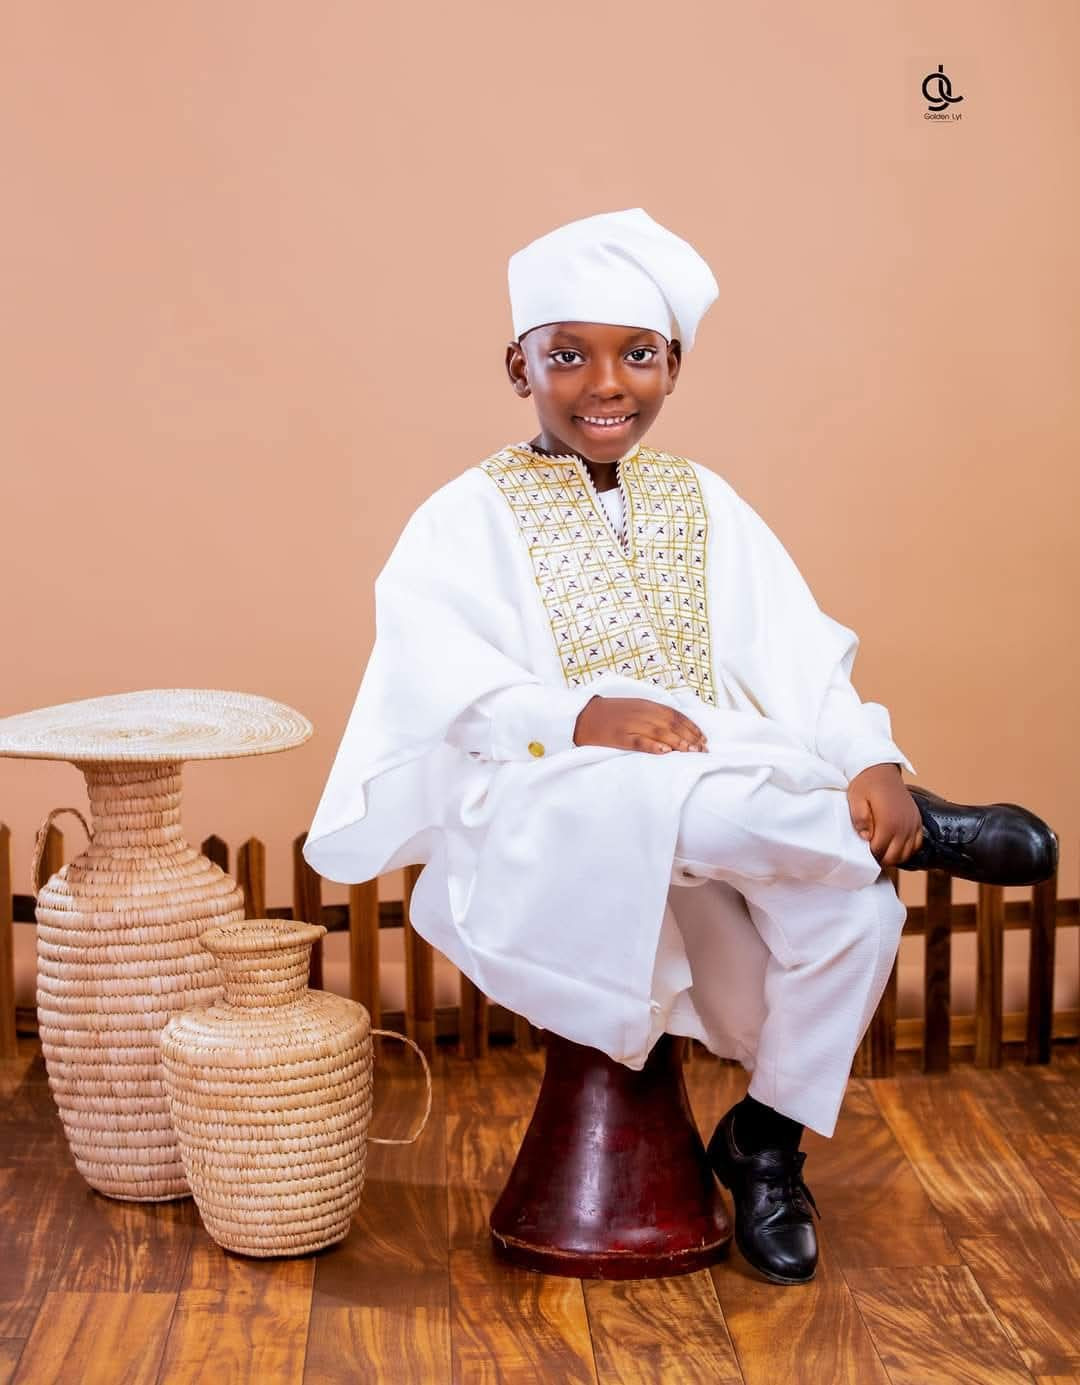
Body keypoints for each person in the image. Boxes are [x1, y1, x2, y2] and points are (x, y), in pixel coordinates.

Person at [304, 207, 1056, 1285]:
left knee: (858, 909)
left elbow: (798, 649)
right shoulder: (463, 515)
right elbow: (433, 672)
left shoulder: (705, 501)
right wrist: (578, 716)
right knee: (688, 795)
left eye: (638, 355)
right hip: (543, 794)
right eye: (570, 355)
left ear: (674, 367)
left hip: (727, 793)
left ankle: (767, 1139)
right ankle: (927, 830)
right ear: (519, 367)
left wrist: (866, 757)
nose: (606, 383)